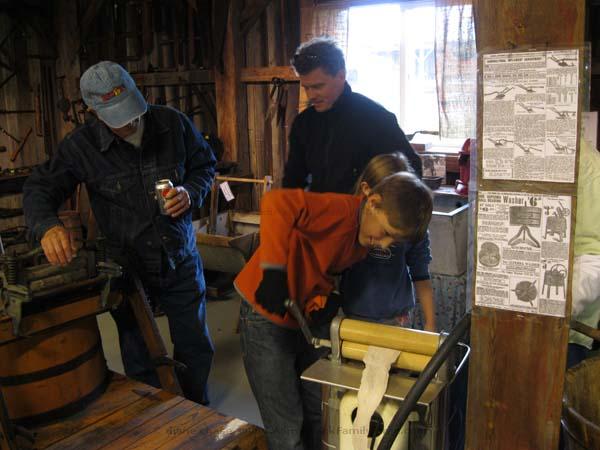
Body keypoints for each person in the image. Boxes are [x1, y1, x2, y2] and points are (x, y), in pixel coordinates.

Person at [22, 61, 216, 405]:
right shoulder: (80, 147)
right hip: (129, 268)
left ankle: (197, 415)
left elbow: (205, 166)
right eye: (116, 117)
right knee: (139, 354)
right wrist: (47, 226)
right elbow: (39, 188)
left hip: (180, 259)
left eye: (131, 111)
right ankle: (152, 421)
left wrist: (190, 192)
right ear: (94, 111)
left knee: (195, 347)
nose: (129, 123)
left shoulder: (172, 123)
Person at [235, 170, 433, 450]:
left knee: (320, 410)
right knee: (287, 426)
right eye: (386, 233)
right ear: (373, 202)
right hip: (264, 315)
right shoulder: (339, 211)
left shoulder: (363, 237)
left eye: (394, 241)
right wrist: (273, 271)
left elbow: (321, 259)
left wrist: (322, 297)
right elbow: (276, 203)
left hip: (301, 316)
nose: (384, 244)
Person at [283, 36, 422, 194]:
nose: (311, 96)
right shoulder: (304, 124)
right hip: (320, 215)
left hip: (365, 215)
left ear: (341, 76)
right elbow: (292, 181)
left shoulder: (376, 119)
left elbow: (412, 172)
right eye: (306, 88)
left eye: (318, 86)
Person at [341, 153, 436, 331]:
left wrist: (430, 323)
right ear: (370, 197)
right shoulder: (351, 221)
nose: (385, 243)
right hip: (352, 316)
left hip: (396, 318)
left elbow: (421, 274)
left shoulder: (408, 222)